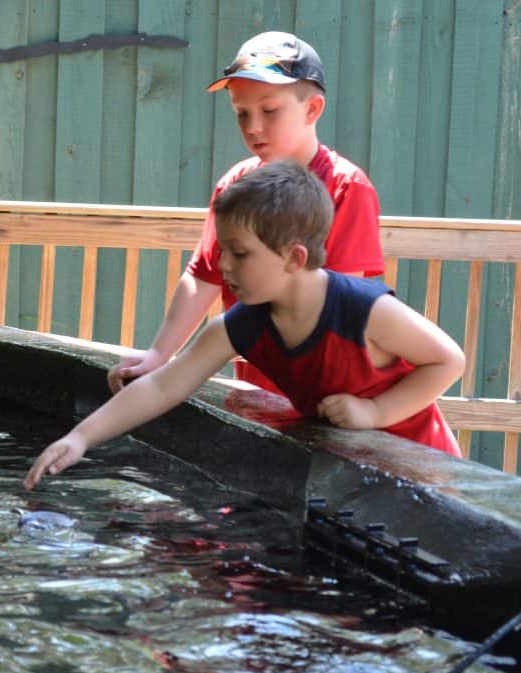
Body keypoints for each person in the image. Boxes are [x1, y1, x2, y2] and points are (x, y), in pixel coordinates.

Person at [24, 161, 463, 490]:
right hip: (356, 473)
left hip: (426, 469)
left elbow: (448, 361)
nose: (223, 264)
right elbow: (163, 387)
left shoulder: (363, 311)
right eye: (223, 250)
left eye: (240, 253)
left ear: (295, 257)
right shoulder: (244, 325)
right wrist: (80, 438)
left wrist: (376, 412)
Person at [108, 31, 384, 395]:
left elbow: (342, 301)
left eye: (269, 111)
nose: (253, 127)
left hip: (329, 390)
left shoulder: (347, 187)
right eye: (242, 113)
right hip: (255, 388)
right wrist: (160, 353)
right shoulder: (235, 185)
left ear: (312, 109)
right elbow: (204, 275)